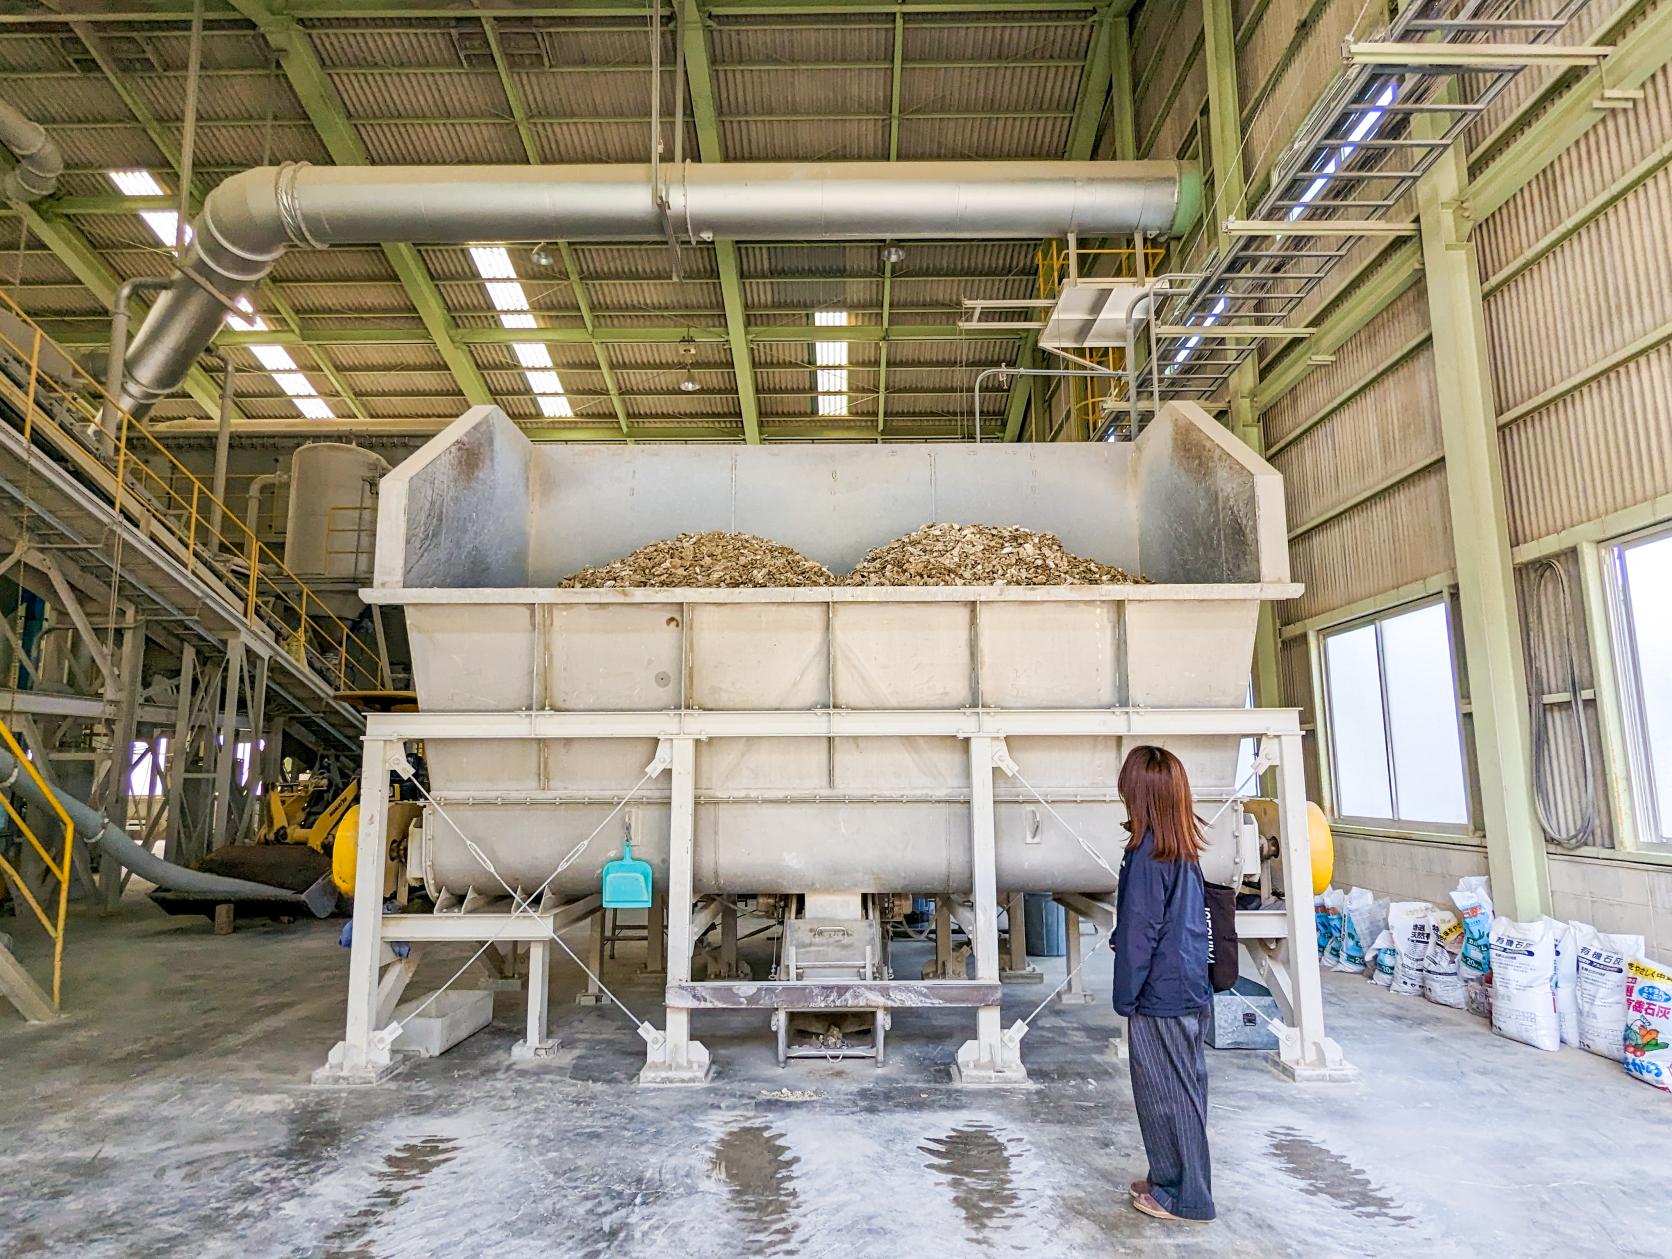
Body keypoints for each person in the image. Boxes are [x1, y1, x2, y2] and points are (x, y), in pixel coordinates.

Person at [1112, 744, 1214, 1223]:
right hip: (1186, 986)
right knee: (1177, 1092)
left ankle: (1186, 1197)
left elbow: (1140, 932)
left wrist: (1125, 997)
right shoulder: (1177, 849)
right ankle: (1167, 1178)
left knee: (1167, 1096)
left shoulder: (1149, 854)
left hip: (1161, 994)